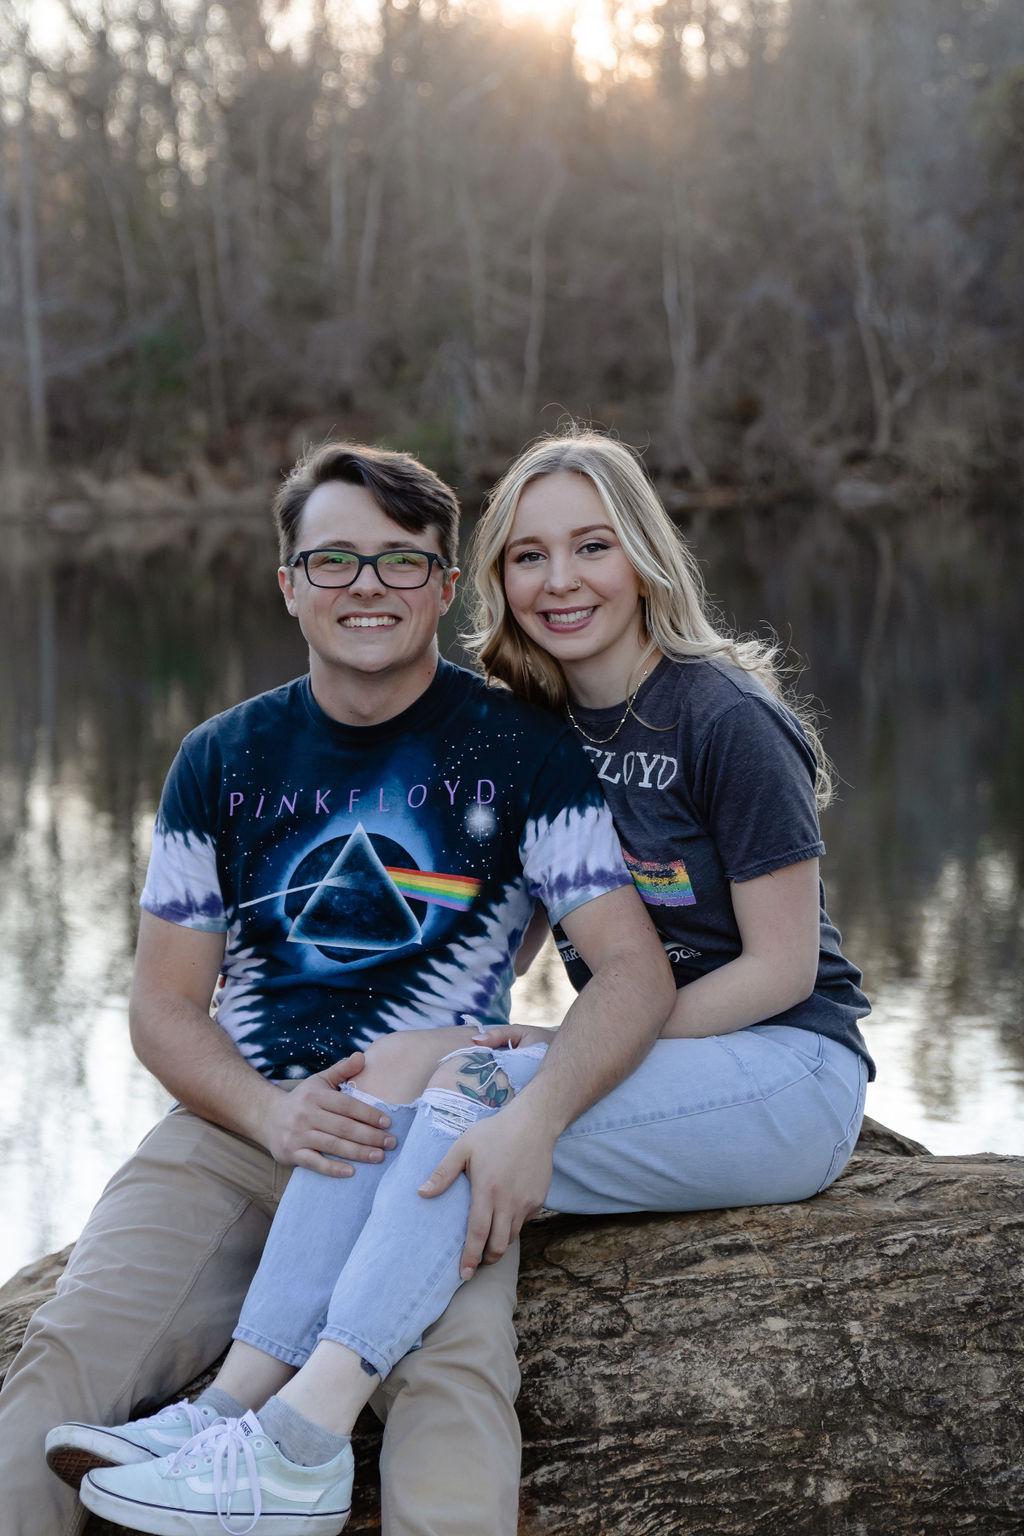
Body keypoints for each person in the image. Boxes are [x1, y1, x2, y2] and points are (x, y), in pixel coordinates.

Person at [49, 429, 874, 1535]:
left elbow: (781, 968)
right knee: (405, 1077)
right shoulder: (542, 728)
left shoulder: (719, 715)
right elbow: (512, 926)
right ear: (495, 581)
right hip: (651, 1056)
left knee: (465, 1111)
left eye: (592, 546)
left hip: (786, 1064)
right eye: (529, 556)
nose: (561, 579)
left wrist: (557, 1059)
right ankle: (222, 1413)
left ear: (644, 556)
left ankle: (301, 1437)